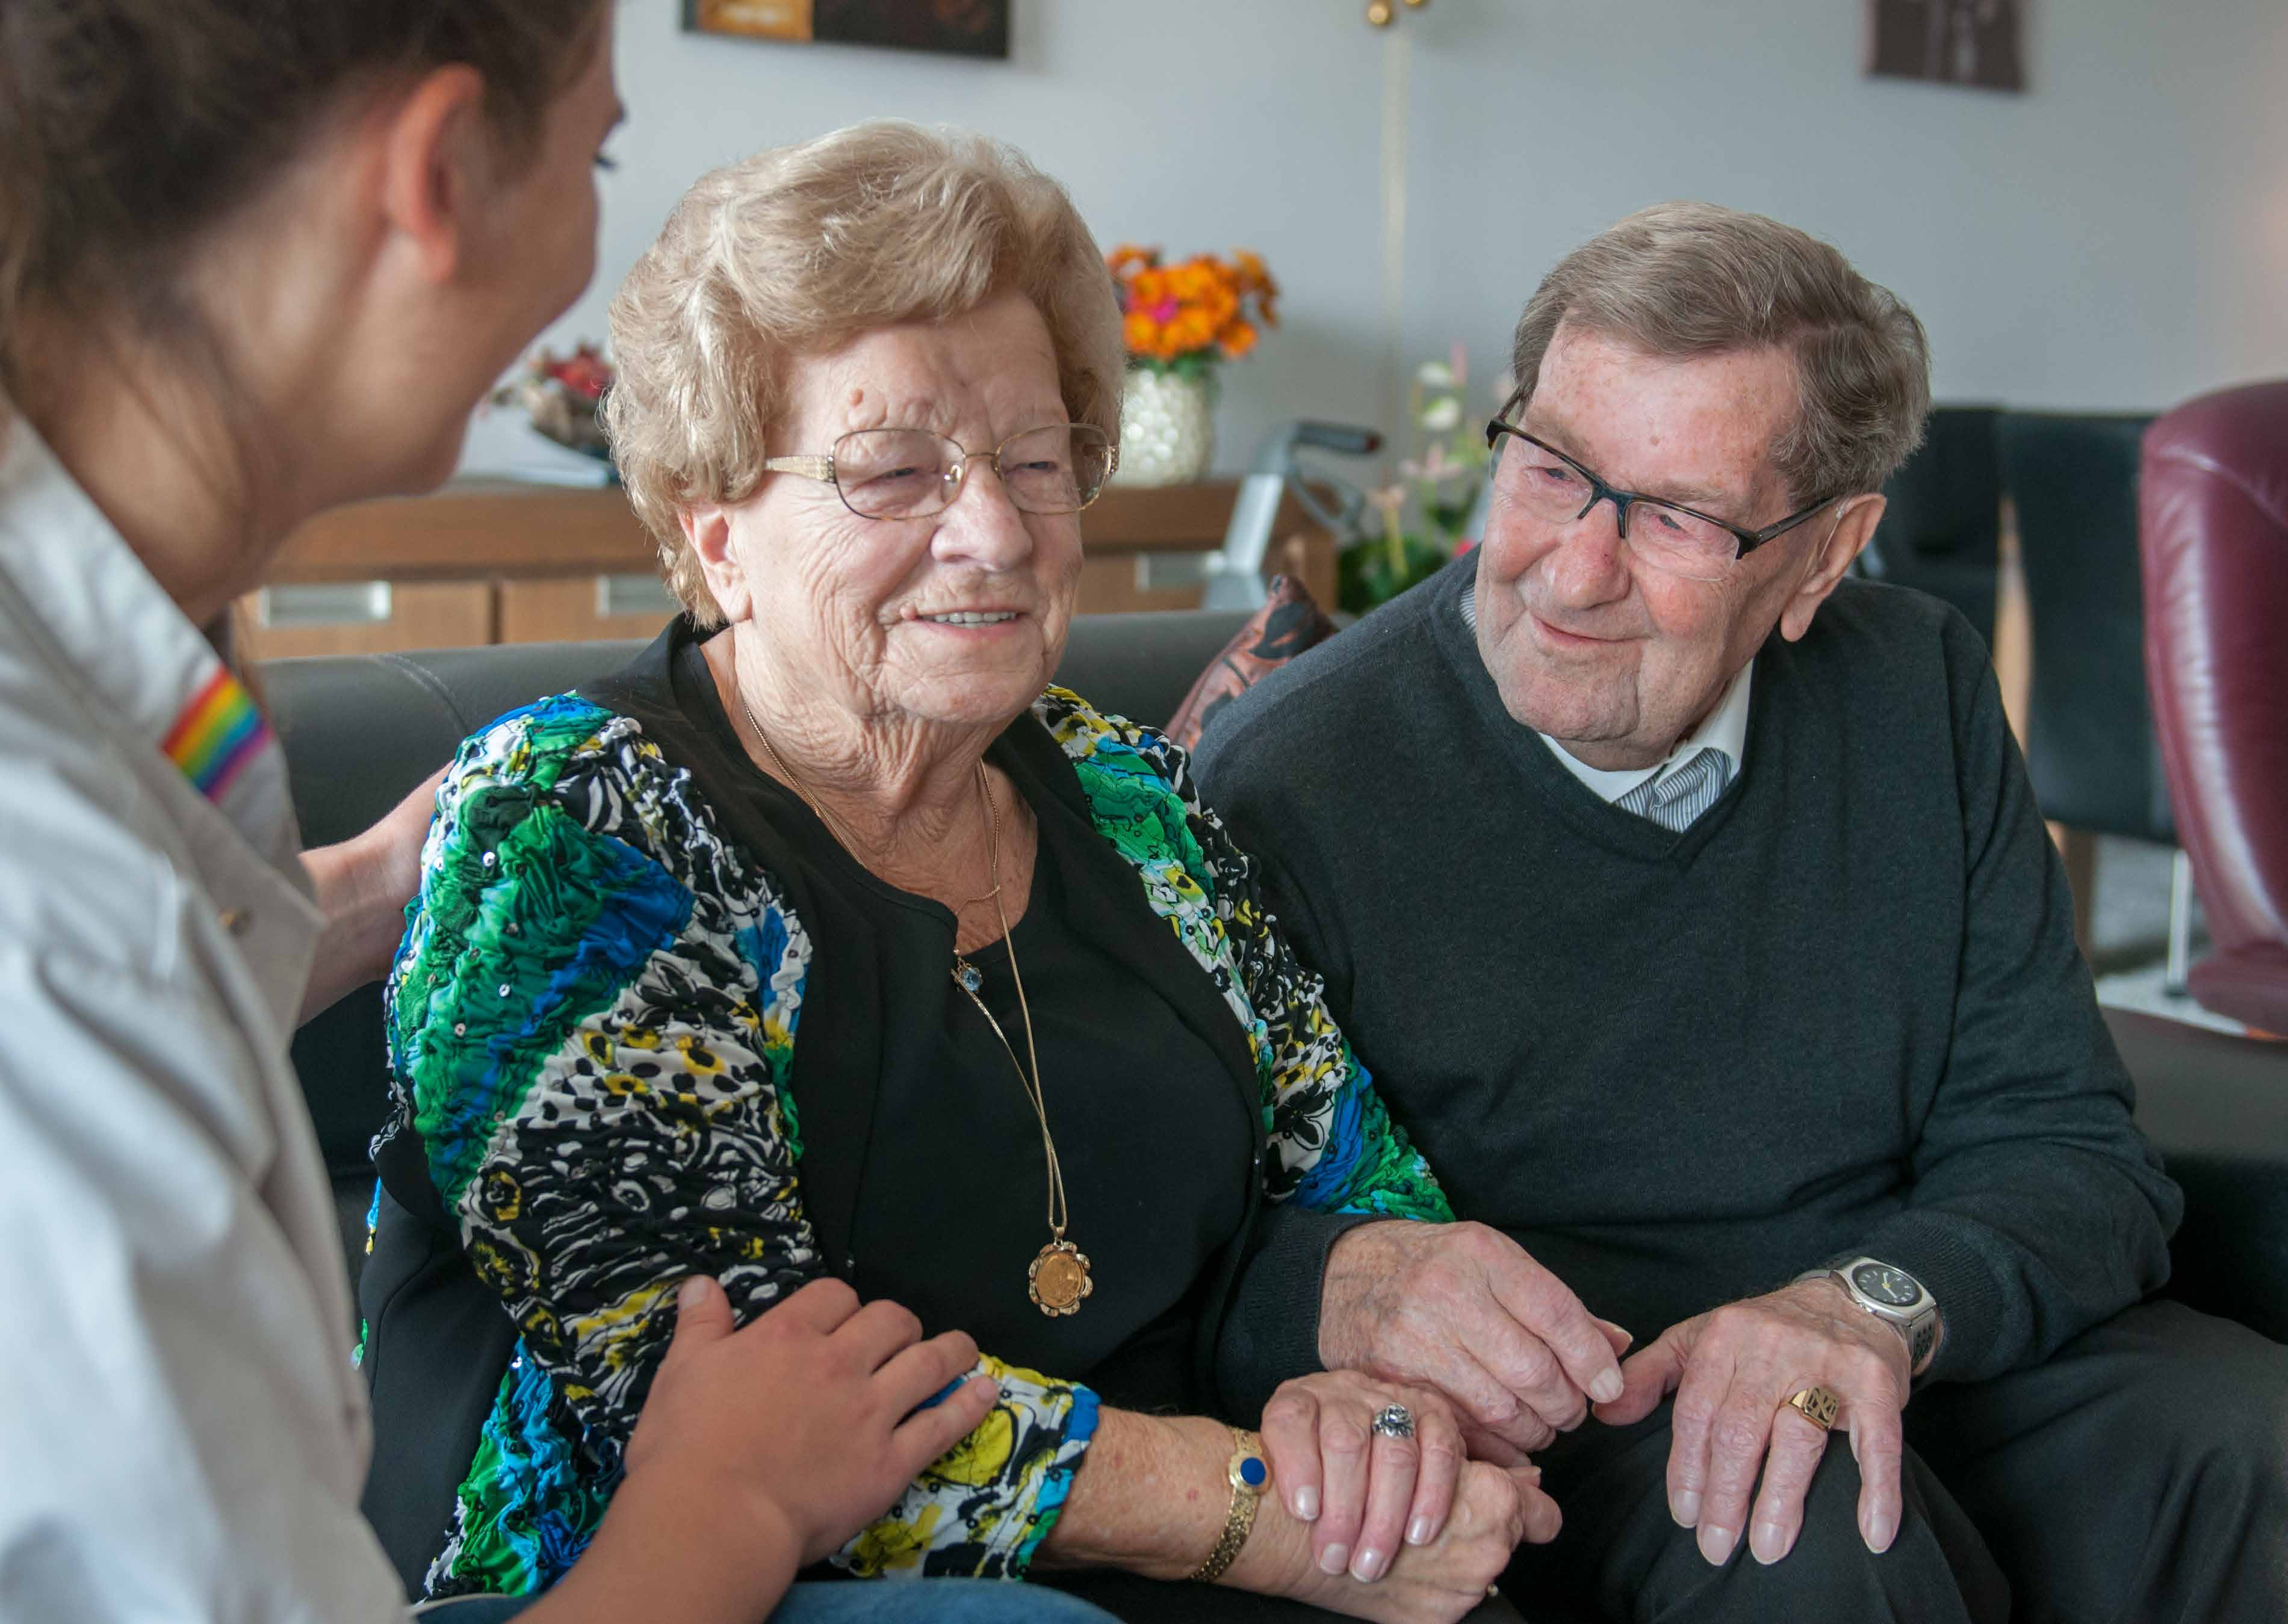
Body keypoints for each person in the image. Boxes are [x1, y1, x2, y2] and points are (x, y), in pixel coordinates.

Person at [0, 5, 1120, 1622]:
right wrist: (723, 1500)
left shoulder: (134, 767)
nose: (994, 532)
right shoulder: (64, 899)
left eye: (1038, 460)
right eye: (597, 152)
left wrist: (382, 874)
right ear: (440, 171)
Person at [360, 123, 1549, 1624]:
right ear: (716, 531)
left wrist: (1363, 1390)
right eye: (892, 469)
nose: (992, 530)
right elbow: (736, 1405)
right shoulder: (579, 833)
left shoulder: (1124, 792)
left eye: (1034, 459)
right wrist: (1248, 1507)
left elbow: (1349, 1176)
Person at [1194, 202, 2288, 1622]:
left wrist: (1862, 1312)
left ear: (1824, 556)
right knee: (1801, 1530)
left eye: (1676, 517)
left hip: (1905, 1322)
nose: (1576, 569)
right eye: (1550, 471)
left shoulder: (1916, 688)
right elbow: (1186, 1244)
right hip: (1595, 1405)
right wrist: (1346, 1285)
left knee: (2252, 1444)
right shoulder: (1296, 771)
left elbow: (2068, 1145)